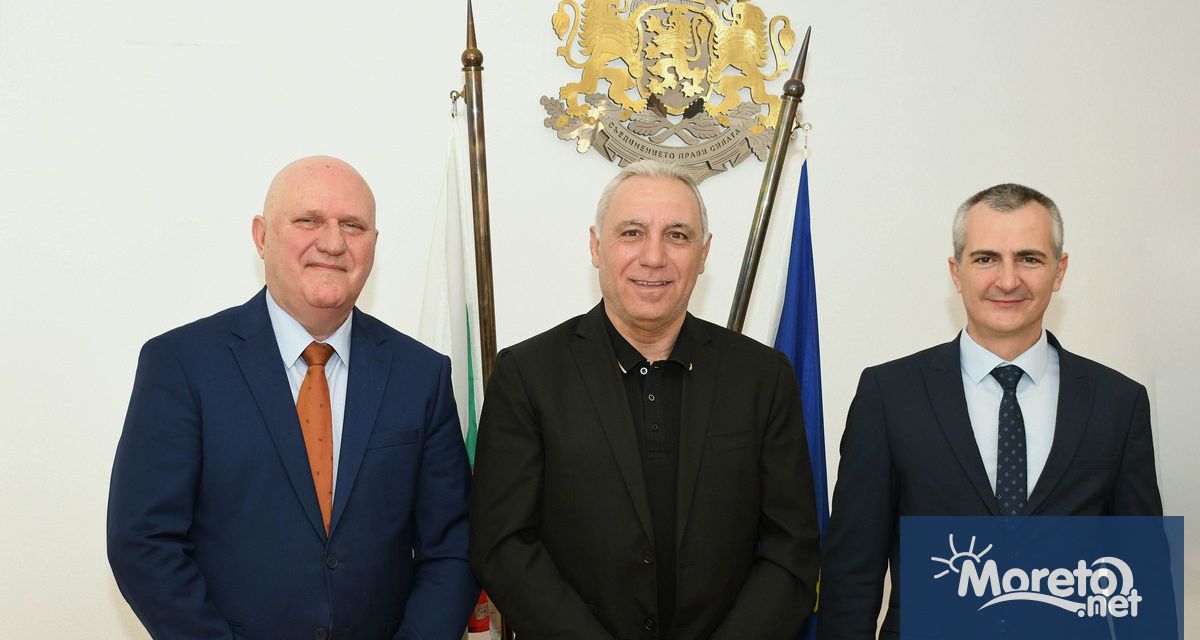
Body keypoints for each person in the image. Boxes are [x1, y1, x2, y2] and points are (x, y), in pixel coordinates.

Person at [107, 156, 477, 640]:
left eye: (353, 225)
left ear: (373, 243)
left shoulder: (420, 374)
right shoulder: (182, 364)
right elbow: (144, 542)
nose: (333, 242)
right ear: (262, 237)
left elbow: (453, 546)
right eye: (308, 220)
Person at [469, 159, 820, 640]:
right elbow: (503, 547)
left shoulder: (763, 377)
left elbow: (791, 548)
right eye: (632, 233)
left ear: (703, 253)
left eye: (677, 235)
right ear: (596, 246)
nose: (653, 257)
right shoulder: (527, 376)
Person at [819, 183, 1163, 639]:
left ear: (1059, 271)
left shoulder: (1118, 401)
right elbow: (850, 576)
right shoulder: (889, 394)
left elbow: (1144, 578)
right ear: (956, 272)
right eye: (985, 259)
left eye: (1029, 258)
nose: (1007, 280)